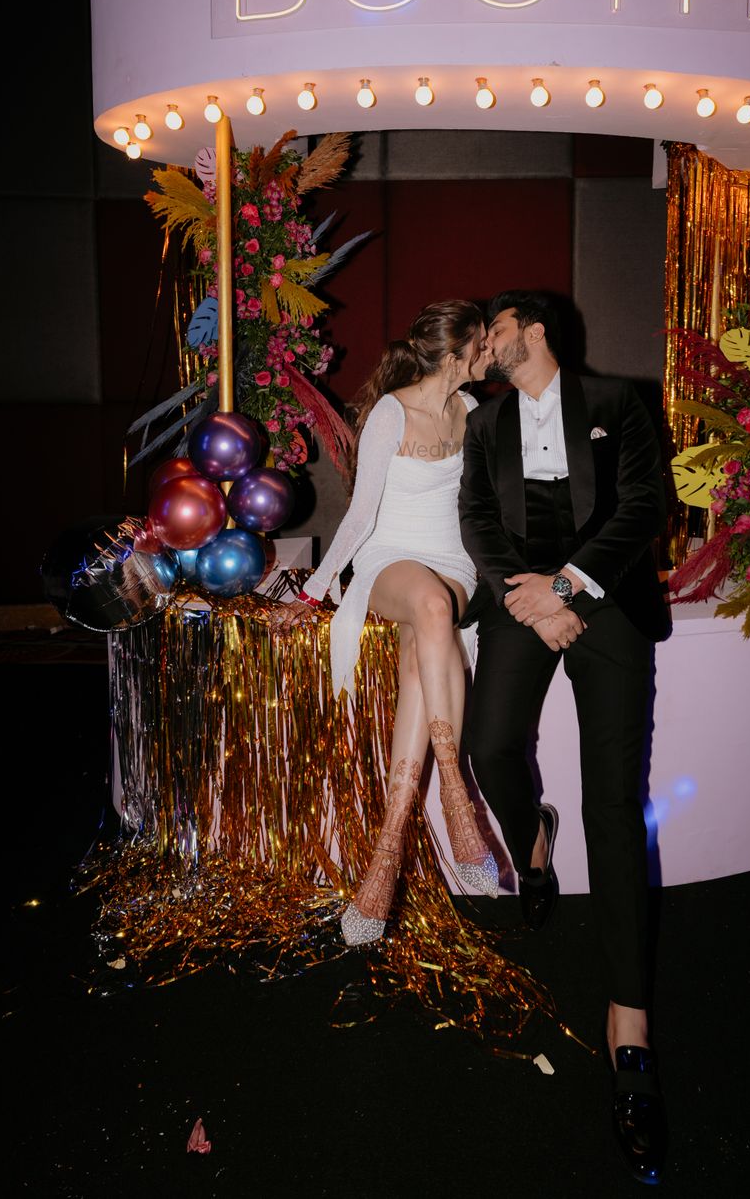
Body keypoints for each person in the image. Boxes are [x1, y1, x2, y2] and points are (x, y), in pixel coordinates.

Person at [458, 290, 672, 1187]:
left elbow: (643, 506)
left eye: (495, 330)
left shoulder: (621, 400)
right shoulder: (486, 424)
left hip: (608, 600)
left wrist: (570, 588)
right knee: (490, 746)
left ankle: (629, 1028)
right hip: (519, 603)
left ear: (533, 331)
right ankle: (532, 835)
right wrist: (525, 595)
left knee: (615, 805)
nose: (486, 344)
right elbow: (478, 519)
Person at [290, 300, 498, 947]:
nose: (490, 354)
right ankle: (455, 792)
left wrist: (587, 436)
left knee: (424, 642)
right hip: (387, 561)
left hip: (452, 565)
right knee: (429, 607)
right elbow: (358, 517)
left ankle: (385, 858)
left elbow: (534, 456)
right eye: (483, 345)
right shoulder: (390, 411)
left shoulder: (474, 413)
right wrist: (318, 591)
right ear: (457, 352)